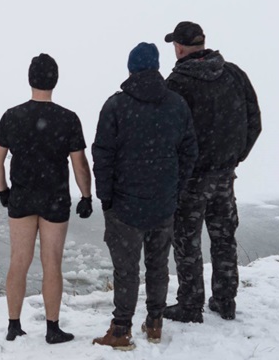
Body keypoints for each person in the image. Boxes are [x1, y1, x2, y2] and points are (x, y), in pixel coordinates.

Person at [91, 43, 198, 350]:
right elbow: (189, 150)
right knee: (158, 265)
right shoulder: (176, 104)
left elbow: (103, 155)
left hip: (125, 205)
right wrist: (175, 188)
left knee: (126, 270)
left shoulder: (116, 105)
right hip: (163, 203)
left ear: (131, 69)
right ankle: (154, 323)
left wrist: (106, 199)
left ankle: (122, 330)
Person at [162, 21, 262, 323]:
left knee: (186, 241)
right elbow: (254, 121)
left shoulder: (177, 83)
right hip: (224, 175)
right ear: (203, 43)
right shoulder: (234, 74)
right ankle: (225, 300)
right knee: (224, 239)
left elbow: (167, 135)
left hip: (192, 179)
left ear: (179, 47)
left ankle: (191, 305)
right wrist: (236, 157)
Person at [0, 53, 93, 345]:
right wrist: (86, 195)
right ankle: (52, 328)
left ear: (30, 79)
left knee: (18, 261)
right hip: (55, 199)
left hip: (21, 197)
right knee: (52, 264)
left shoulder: (12, 115)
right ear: (55, 80)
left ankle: (13, 325)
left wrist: (3, 191)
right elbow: (80, 164)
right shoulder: (68, 118)